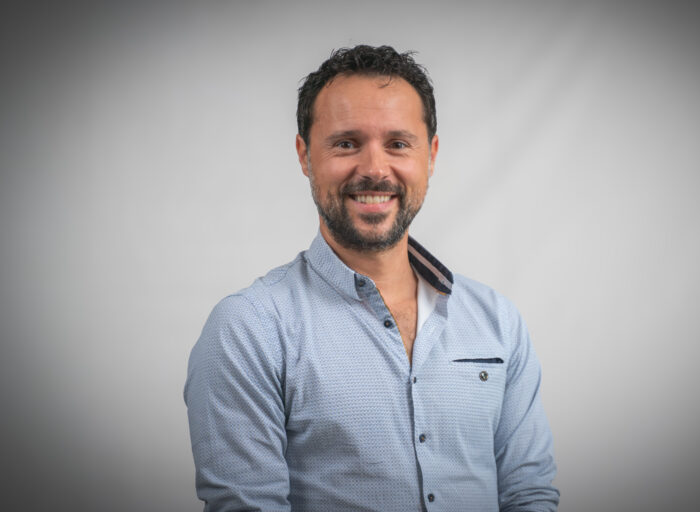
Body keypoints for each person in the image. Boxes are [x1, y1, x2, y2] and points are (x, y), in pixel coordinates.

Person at [184, 44, 559, 511]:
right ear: (304, 155)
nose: (375, 170)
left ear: (431, 155)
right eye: (346, 143)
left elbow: (529, 494)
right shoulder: (248, 330)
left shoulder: (498, 320)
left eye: (398, 144)